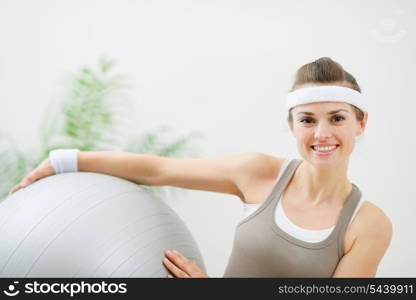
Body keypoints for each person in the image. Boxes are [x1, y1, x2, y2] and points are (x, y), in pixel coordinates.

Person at [10, 57, 392, 278]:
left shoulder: (367, 225)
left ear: (361, 123)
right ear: (292, 126)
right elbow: (158, 170)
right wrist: (64, 159)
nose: (322, 133)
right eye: (308, 120)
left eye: (337, 118)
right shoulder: (259, 174)